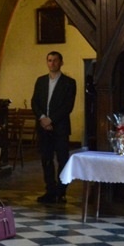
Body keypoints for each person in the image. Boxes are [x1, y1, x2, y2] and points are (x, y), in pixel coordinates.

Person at [31, 51, 77, 204]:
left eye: (55, 60)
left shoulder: (69, 83)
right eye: (49, 60)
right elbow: (34, 102)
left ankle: (61, 191)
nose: (52, 63)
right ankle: (50, 190)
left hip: (60, 127)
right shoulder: (41, 81)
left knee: (62, 159)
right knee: (46, 159)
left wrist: (51, 120)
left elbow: (67, 106)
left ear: (61, 62)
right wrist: (42, 118)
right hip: (43, 127)